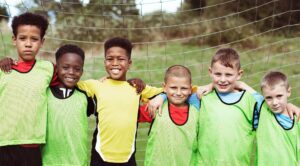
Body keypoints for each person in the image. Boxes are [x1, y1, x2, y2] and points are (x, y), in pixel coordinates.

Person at [77, 37, 162, 165]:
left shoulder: (137, 88)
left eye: (121, 59)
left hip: (128, 157)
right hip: (100, 156)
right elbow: (68, 81)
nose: (115, 63)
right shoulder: (95, 86)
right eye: (110, 59)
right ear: (104, 62)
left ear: (129, 63)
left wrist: (161, 97)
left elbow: (169, 91)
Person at [0, 12, 55, 166]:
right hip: (3, 143)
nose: (28, 44)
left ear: (42, 42)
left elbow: (72, 77)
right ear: (14, 40)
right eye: (22, 38)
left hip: (31, 144)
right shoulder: (3, 69)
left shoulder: (49, 69)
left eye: (34, 39)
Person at [41, 44, 95, 166]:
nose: (71, 72)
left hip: (78, 162)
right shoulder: (44, 92)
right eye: (65, 67)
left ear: (82, 70)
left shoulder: (85, 96)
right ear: (56, 68)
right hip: (48, 162)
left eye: (77, 69)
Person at [139, 65, 199, 166]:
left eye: (183, 88)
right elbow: (130, 113)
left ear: (190, 89)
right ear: (164, 87)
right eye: (173, 88)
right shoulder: (155, 107)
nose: (178, 93)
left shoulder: (197, 111)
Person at [255, 71, 300, 165]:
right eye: (269, 98)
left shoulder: (297, 119)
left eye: (279, 96)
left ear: (288, 92)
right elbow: (242, 87)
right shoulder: (263, 110)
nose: (274, 102)